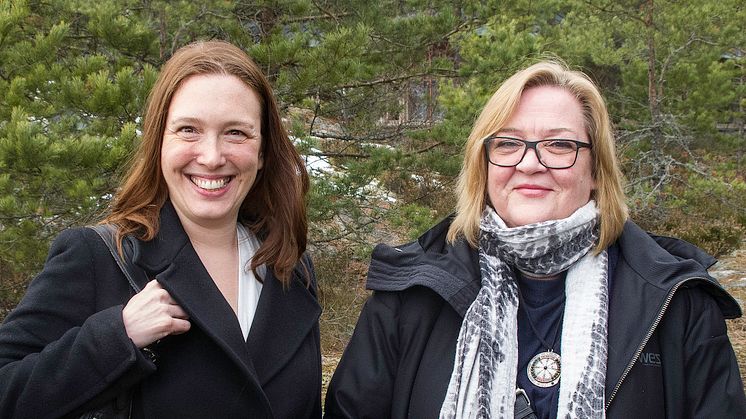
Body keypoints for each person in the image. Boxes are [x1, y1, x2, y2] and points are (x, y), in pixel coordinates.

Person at [324, 60, 746, 418]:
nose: (530, 163)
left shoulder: (677, 302)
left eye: (559, 145)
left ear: (596, 170)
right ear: (483, 164)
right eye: (508, 144)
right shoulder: (410, 294)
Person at [0, 40, 321, 418]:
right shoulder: (98, 257)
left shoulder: (290, 268)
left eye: (236, 132)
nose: (212, 156)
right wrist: (116, 338)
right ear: (159, 142)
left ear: (263, 151)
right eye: (189, 130)